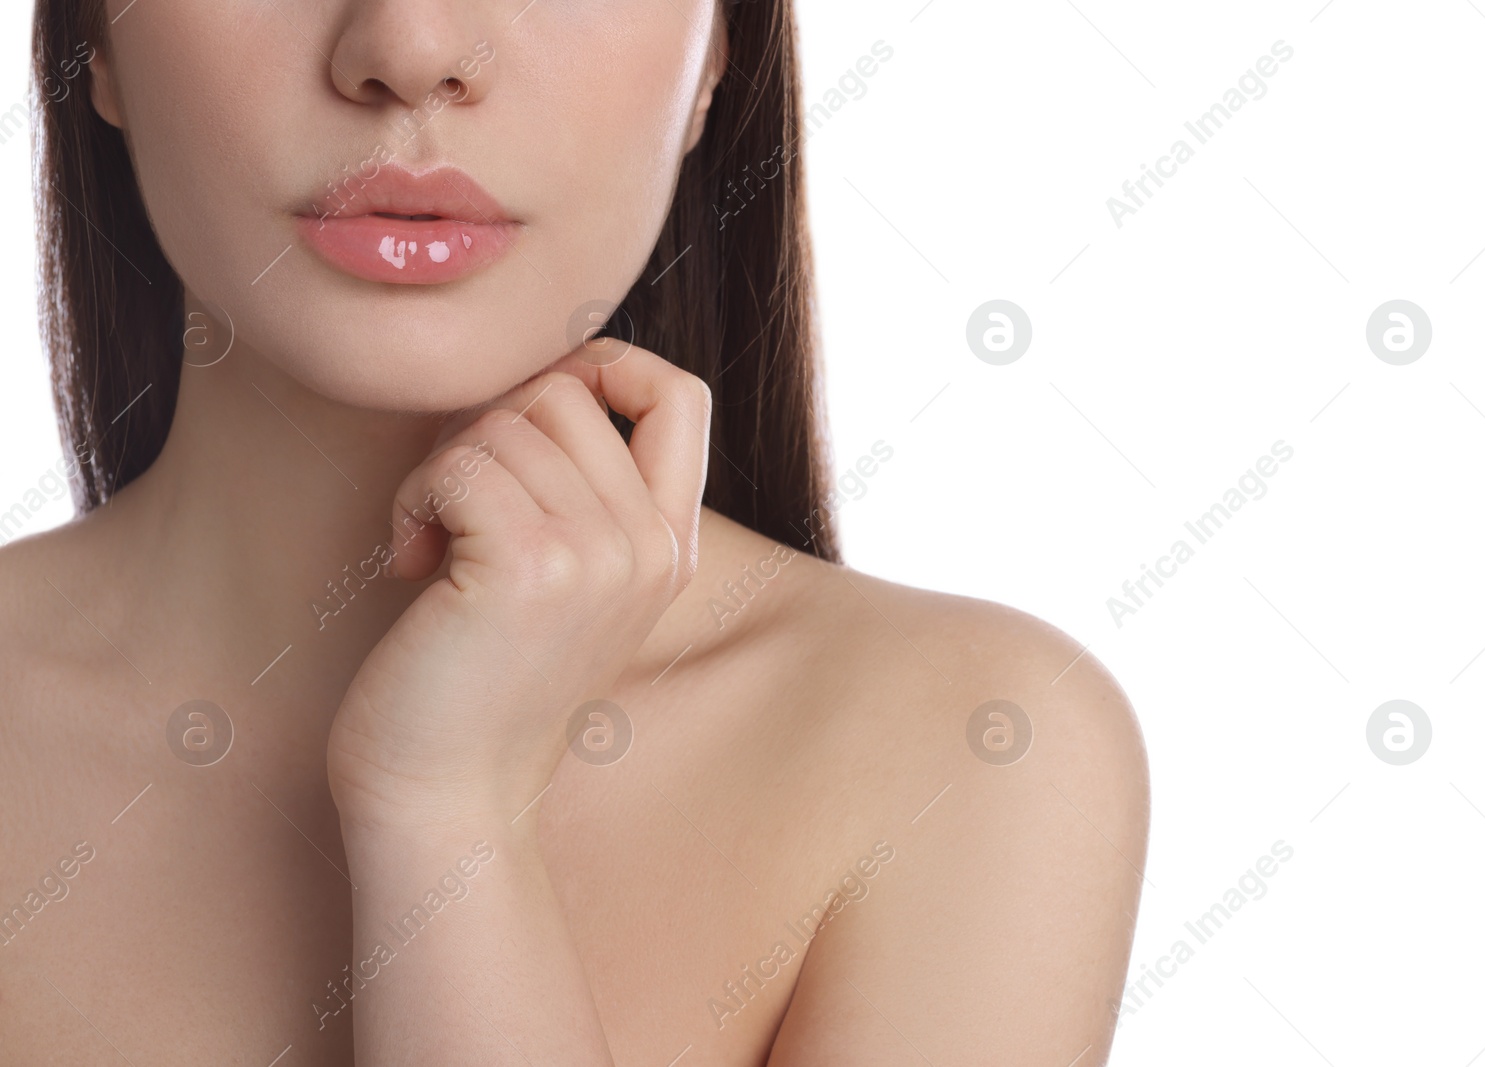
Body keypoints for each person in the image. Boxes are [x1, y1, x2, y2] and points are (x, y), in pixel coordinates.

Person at [0, 0, 1149, 1062]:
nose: (408, 48)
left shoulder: (971, 752)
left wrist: (448, 819)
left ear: (715, 54)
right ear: (97, 37)